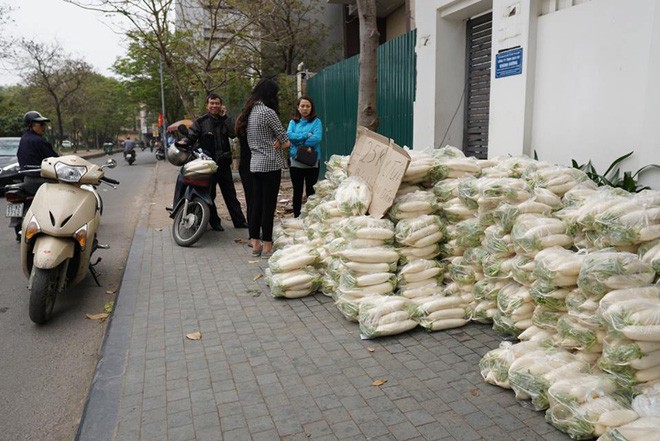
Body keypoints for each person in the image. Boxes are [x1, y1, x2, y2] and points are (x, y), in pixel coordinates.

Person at [235, 78, 290, 258]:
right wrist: (280, 143)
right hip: (270, 165)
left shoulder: (248, 113)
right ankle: (267, 246)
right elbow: (285, 140)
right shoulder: (268, 113)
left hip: (255, 165)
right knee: (268, 206)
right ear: (270, 95)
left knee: (256, 205)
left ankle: (255, 245)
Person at [184, 93, 248, 231]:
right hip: (208, 165)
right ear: (207, 105)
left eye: (217, 103)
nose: (214, 106)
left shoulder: (224, 120)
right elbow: (191, 137)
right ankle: (214, 222)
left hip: (224, 163)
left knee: (230, 194)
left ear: (221, 105)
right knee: (209, 194)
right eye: (212, 103)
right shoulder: (200, 122)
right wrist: (183, 142)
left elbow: (233, 133)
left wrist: (225, 117)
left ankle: (239, 221)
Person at [287, 96, 322, 218]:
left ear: (311, 108)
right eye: (302, 106)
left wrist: (299, 142)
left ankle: (310, 216)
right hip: (296, 161)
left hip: (312, 161)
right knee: (297, 191)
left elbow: (316, 138)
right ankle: (296, 216)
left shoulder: (316, 122)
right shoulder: (293, 122)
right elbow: (290, 136)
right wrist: (306, 135)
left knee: (311, 191)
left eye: (308, 106)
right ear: (298, 107)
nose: (305, 108)